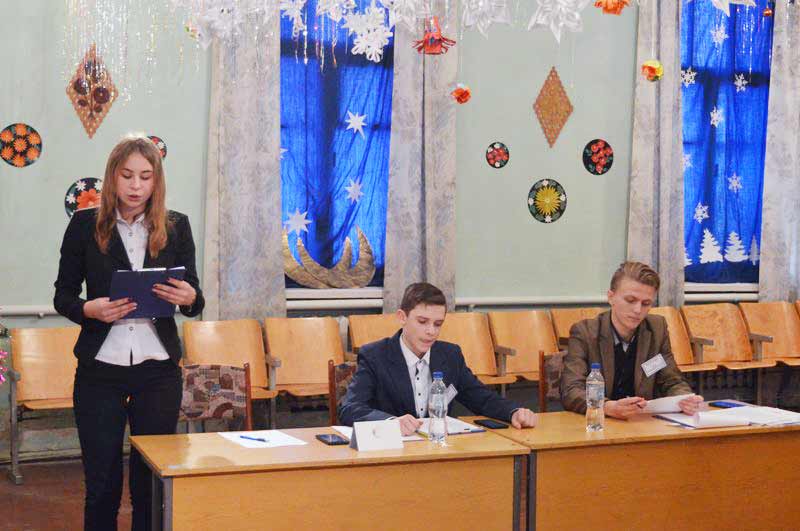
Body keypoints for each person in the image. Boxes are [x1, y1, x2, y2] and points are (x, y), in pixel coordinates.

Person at [54, 134, 204, 531]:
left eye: (145, 177)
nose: (136, 186)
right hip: (100, 371)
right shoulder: (84, 225)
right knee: (101, 483)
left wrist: (189, 297)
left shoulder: (176, 226)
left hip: (158, 372)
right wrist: (90, 309)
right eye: (127, 176)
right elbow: (63, 296)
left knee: (150, 483)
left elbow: (194, 298)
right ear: (112, 177)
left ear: (157, 181)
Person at [339, 282, 537, 435]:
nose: (431, 331)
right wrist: (391, 422)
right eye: (422, 322)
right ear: (402, 317)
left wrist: (513, 412)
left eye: (438, 324)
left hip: (438, 449)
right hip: (393, 452)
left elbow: (481, 398)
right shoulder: (375, 355)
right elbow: (350, 408)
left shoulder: (450, 355)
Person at [560, 261, 703, 419]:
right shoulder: (585, 332)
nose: (637, 310)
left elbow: (671, 380)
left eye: (646, 303)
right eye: (630, 300)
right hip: (598, 422)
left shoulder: (657, 328)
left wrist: (684, 398)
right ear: (611, 297)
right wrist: (607, 407)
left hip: (640, 422)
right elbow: (571, 389)